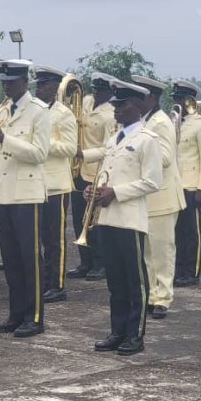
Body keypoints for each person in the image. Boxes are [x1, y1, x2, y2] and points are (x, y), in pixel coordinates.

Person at [90, 79, 162, 355]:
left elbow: (153, 181)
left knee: (135, 281)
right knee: (115, 282)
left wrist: (116, 192)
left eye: (121, 105)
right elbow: (107, 175)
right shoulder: (113, 139)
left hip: (130, 219)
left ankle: (135, 334)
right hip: (108, 217)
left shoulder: (147, 139)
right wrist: (94, 189)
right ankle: (117, 330)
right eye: (115, 105)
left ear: (136, 106)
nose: (116, 110)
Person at [0, 59, 51, 338]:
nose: (6, 87)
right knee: (11, 260)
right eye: (3, 82)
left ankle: (35, 317)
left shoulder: (38, 111)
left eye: (10, 82)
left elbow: (40, 153)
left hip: (27, 194)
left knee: (30, 259)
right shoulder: (3, 110)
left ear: (25, 82)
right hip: (6, 196)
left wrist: (5, 140)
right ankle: (15, 314)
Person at [131, 74, 185, 319]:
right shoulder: (144, 120)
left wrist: (137, 155)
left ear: (151, 97)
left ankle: (163, 297)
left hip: (163, 196)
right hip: (149, 196)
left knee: (162, 251)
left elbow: (165, 158)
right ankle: (152, 294)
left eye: (139, 96)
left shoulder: (161, 122)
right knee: (148, 252)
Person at [33, 65, 77, 303]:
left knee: (54, 239)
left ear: (54, 87)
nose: (39, 89)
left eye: (43, 85)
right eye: (38, 85)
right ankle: (43, 280)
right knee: (38, 237)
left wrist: (43, 143)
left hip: (57, 185)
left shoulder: (64, 114)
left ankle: (57, 284)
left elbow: (70, 148)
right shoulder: (35, 111)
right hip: (36, 184)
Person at [68, 72, 116, 281]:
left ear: (110, 92)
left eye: (102, 91)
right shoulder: (86, 101)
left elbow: (108, 148)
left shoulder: (112, 114)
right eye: (95, 90)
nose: (97, 94)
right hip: (77, 170)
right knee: (79, 220)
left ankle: (101, 263)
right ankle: (85, 262)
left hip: (96, 171)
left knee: (95, 221)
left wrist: (83, 154)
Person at [172, 80, 201, 287]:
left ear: (189, 100)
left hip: (191, 185)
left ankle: (192, 271)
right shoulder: (173, 123)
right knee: (177, 231)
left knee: (193, 231)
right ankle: (179, 269)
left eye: (180, 99)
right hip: (175, 184)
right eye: (175, 99)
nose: (176, 102)